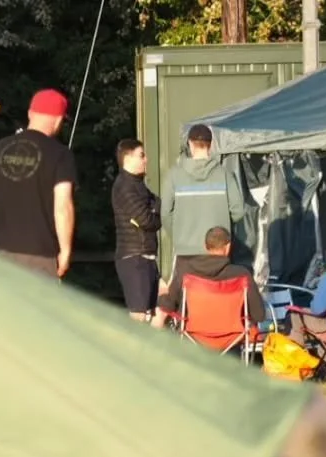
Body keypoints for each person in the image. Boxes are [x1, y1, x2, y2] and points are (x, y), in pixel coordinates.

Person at [0, 89, 77, 279]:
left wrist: (3, 193)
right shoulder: (60, 154)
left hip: (2, 254)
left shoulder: (1, 146)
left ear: (30, 114)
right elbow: (63, 207)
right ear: (59, 120)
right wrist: (65, 251)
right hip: (40, 257)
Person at [157, 124, 245, 280]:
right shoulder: (224, 174)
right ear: (210, 145)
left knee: (188, 300)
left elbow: (165, 214)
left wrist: (179, 235)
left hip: (185, 254)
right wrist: (221, 231)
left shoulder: (173, 176)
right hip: (217, 255)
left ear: (190, 144)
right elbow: (238, 211)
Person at [157, 226, 267, 328]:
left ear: (206, 246)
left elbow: (168, 306)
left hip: (193, 339)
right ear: (228, 247)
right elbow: (259, 315)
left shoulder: (186, 273)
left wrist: (162, 295)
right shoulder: (241, 275)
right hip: (230, 340)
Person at [111, 139, 161, 321]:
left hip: (146, 256)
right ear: (128, 158)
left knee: (151, 314)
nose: (146, 159)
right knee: (138, 315)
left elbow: (157, 204)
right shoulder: (124, 187)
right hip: (134, 257)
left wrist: (153, 210)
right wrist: (154, 214)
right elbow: (148, 221)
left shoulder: (138, 185)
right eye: (142, 155)